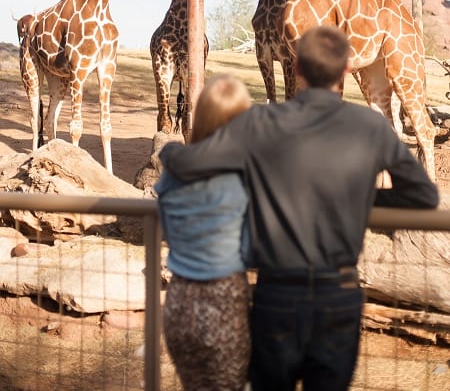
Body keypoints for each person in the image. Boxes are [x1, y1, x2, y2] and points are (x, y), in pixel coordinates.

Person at [160, 25, 439, 391]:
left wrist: (167, 148)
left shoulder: (262, 121)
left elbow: (191, 162)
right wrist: (357, 199)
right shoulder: (369, 126)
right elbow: (423, 196)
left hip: (277, 297)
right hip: (338, 299)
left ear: (297, 67)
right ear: (345, 71)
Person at [155, 73, 253, 391]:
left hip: (180, 301)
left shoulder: (174, 172)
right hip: (224, 299)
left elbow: (167, 228)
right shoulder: (245, 176)